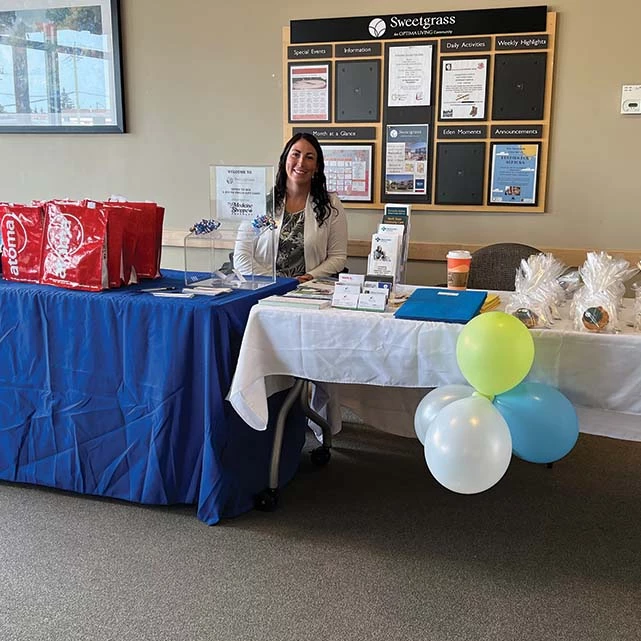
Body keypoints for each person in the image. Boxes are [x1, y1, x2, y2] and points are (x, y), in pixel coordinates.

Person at [233, 133, 347, 282]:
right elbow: (241, 257)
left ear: (317, 167)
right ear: (285, 159)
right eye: (296, 154)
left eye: (309, 157)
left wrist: (308, 277)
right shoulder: (260, 202)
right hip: (263, 288)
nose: (301, 163)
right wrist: (274, 283)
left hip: (308, 289)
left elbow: (337, 257)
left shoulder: (331, 204)